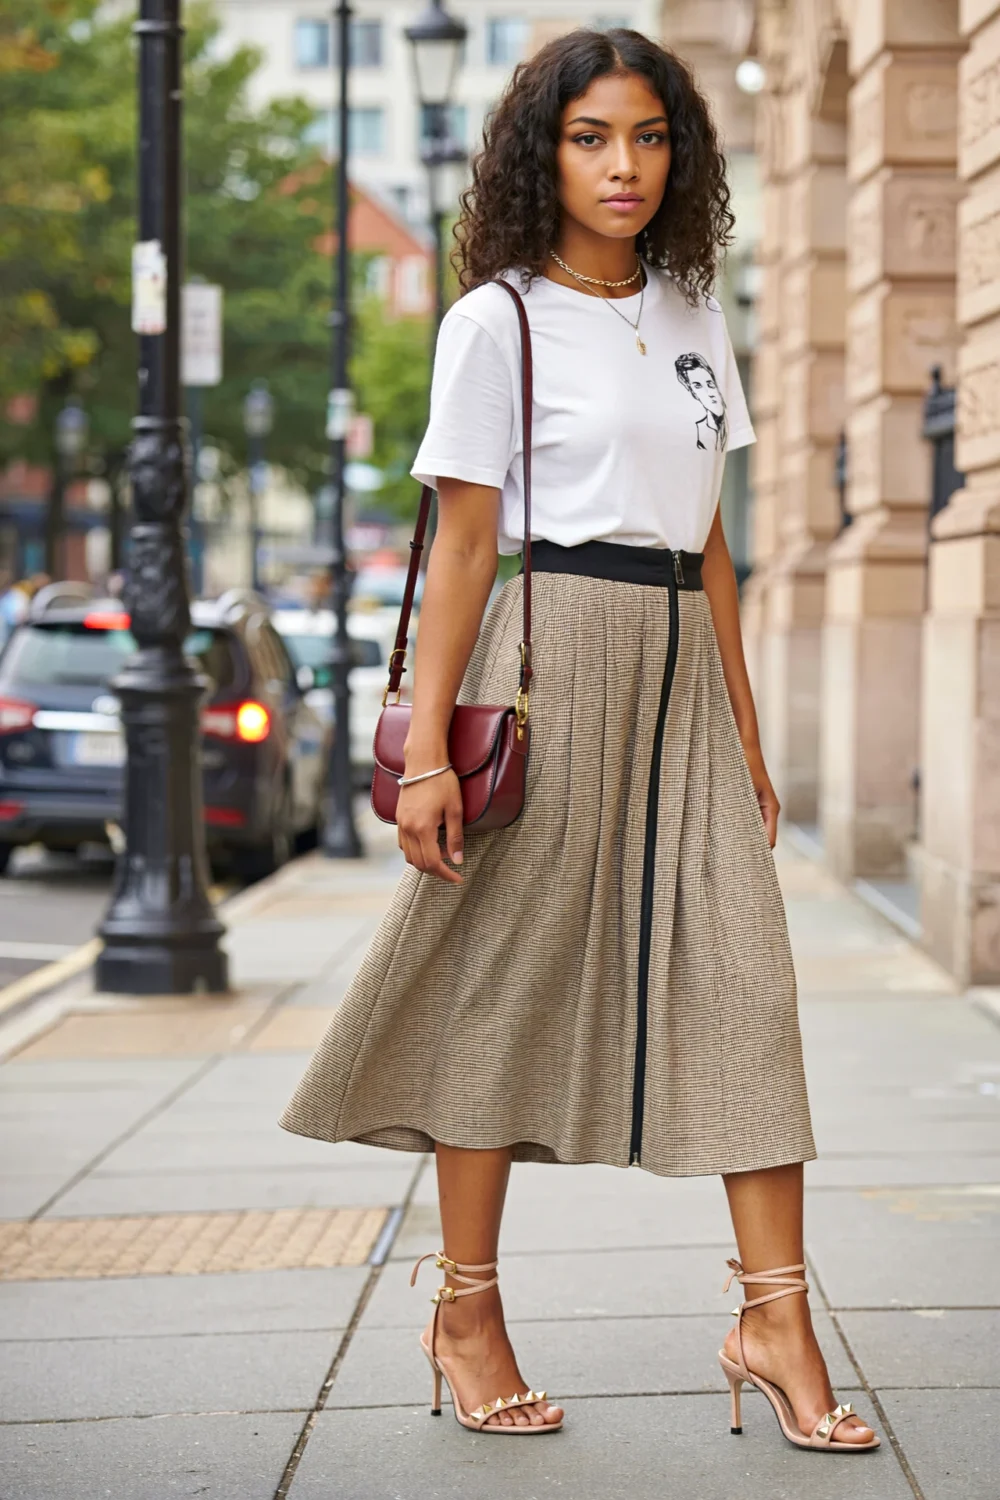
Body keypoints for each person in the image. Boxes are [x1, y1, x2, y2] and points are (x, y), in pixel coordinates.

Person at [281, 27, 879, 1452]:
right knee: (500, 984)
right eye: (593, 137)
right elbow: (470, 545)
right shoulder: (498, 320)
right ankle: (467, 1307)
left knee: (749, 988)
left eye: (650, 137)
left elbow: (714, 537)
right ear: (540, 152)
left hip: (678, 667)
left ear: (683, 155)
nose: (624, 166)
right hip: (549, 657)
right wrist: (427, 750)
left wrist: (742, 722)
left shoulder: (690, 306)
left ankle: (774, 1313)